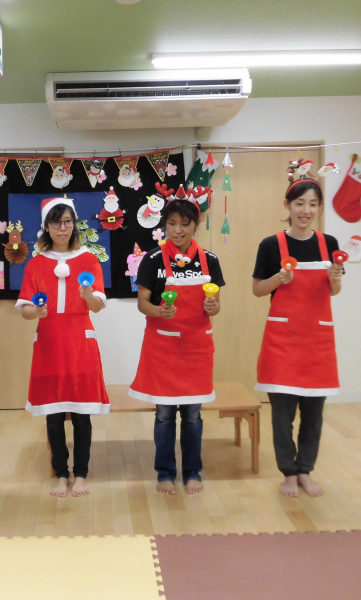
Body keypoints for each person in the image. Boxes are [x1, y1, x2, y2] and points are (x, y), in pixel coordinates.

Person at [252, 161, 344, 498]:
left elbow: (334, 291)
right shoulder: (271, 245)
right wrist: (279, 278)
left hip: (318, 342)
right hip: (283, 342)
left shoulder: (328, 243)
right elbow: (257, 289)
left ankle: (305, 470)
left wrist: (335, 279)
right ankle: (288, 473)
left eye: (313, 204)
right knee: (282, 416)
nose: (306, 210)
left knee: (314, 415)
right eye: (300, 203)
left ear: (319, 208)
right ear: (287, 206)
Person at [129, 193, 225, 495]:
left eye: (185, 224)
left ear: (196, 224)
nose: (178, 230)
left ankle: (193, 472)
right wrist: (159, 311)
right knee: (164, 415)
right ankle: (165, 473)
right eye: (172, 223)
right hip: (163, 349)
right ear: (165, 224)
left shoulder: (209, 260)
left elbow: (216, 304)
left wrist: (213, 307)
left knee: (193, 416)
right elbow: (142, 303)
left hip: (197, 348)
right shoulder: (153, 259)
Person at [17, 197, 109, 499]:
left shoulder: (88, 259)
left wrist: (87, 293)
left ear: (74, 224)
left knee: (81, 414)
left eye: (67, 221)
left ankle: (80, 474)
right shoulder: (36, 263)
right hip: (50, 344)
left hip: (80, 342)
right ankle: (61, 474)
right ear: (46, 226)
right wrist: (36, 311)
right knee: (54, 414)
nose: (62, 228)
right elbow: (25, 310)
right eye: (56, 222)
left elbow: (96, 306)